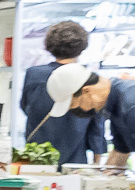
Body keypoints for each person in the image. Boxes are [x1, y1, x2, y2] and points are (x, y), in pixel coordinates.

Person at [19, 21, 104, 167]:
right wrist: (97, 161)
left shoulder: (33, 75)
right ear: (82, 47)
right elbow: (97, 126)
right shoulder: (90, 78)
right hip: (75, 161)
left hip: (37, 156)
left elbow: (25, 107)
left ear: (50, 45)